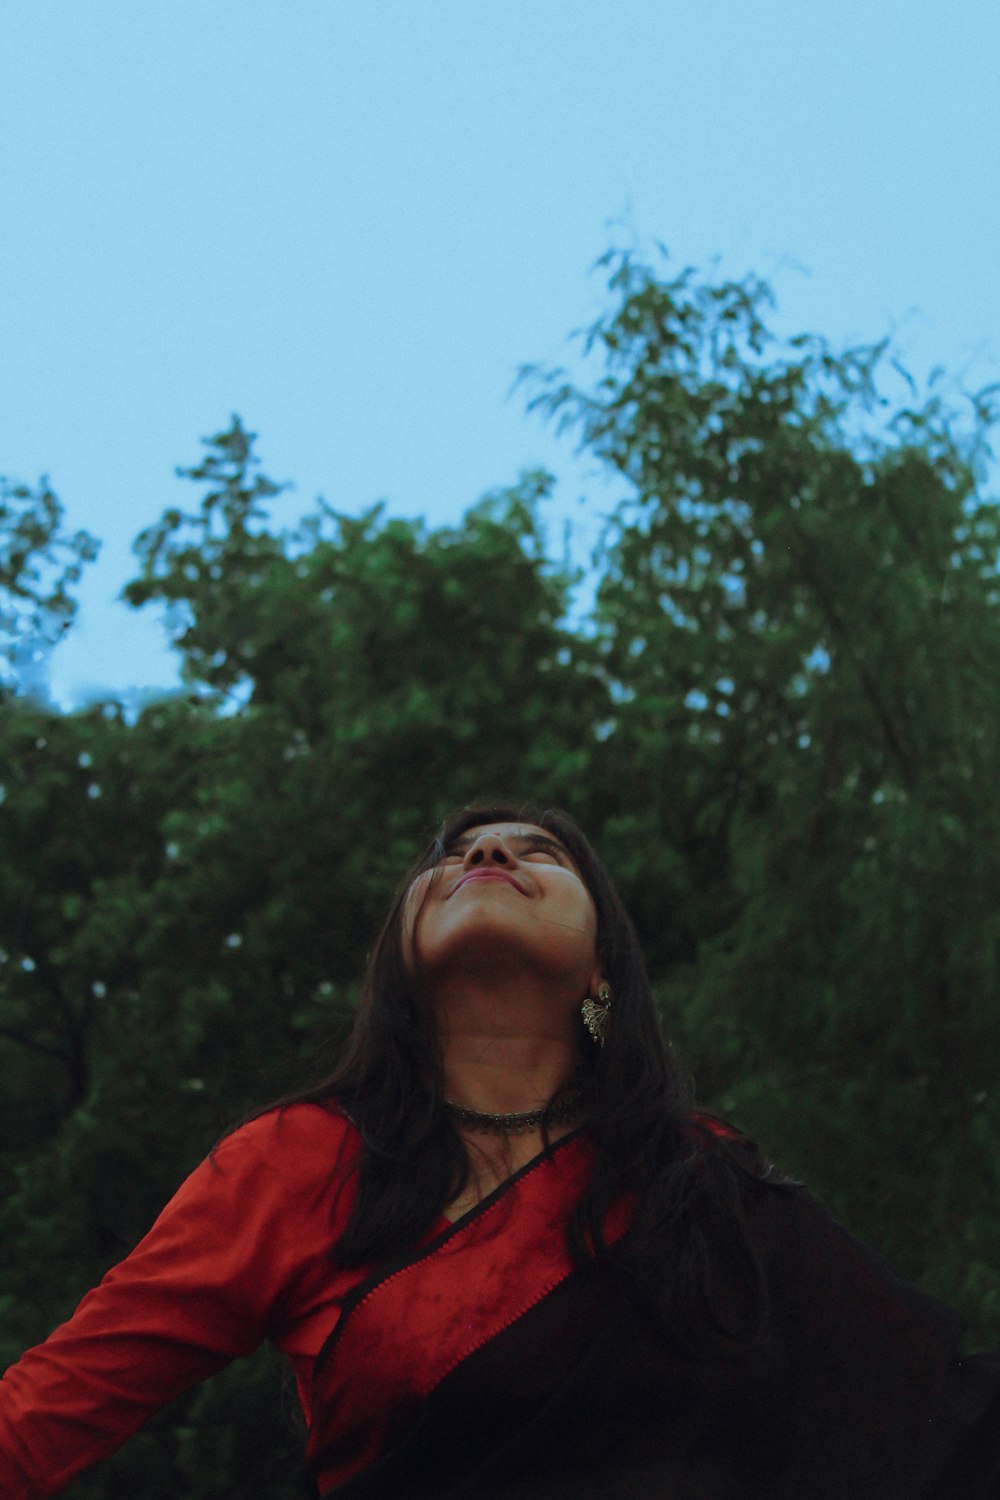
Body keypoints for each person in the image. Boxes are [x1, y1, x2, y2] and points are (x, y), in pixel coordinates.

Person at [2, 801, 999, 1498]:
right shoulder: (291, 1164)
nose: (487, 855)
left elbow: (911, 1424)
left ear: (603, 969)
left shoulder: (702, 1175)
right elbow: (48, 1411)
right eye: (455, 851)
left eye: (538, 852)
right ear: (398, 955)